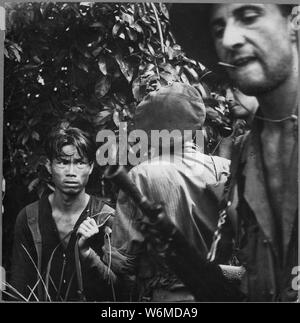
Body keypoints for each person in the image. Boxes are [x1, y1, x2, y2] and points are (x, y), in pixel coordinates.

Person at [170, 4, 298, 301]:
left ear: (295, 19)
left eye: (249, 17)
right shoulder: (244, 152)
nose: (228, 39)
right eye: (218, 30)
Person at [106, 82, 230, 301]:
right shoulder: (224, 167)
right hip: (224, 292)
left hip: (169, 299)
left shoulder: (140, 175)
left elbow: (122, 262)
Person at [9, 124, 115, 301]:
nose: (71, 172)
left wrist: (89, 255)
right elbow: (18, 287)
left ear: (91, 167)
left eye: (80, 163)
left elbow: (120, 290)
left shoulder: (106, 218)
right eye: (63, 162)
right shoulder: (29, 217)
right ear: (49, 166)